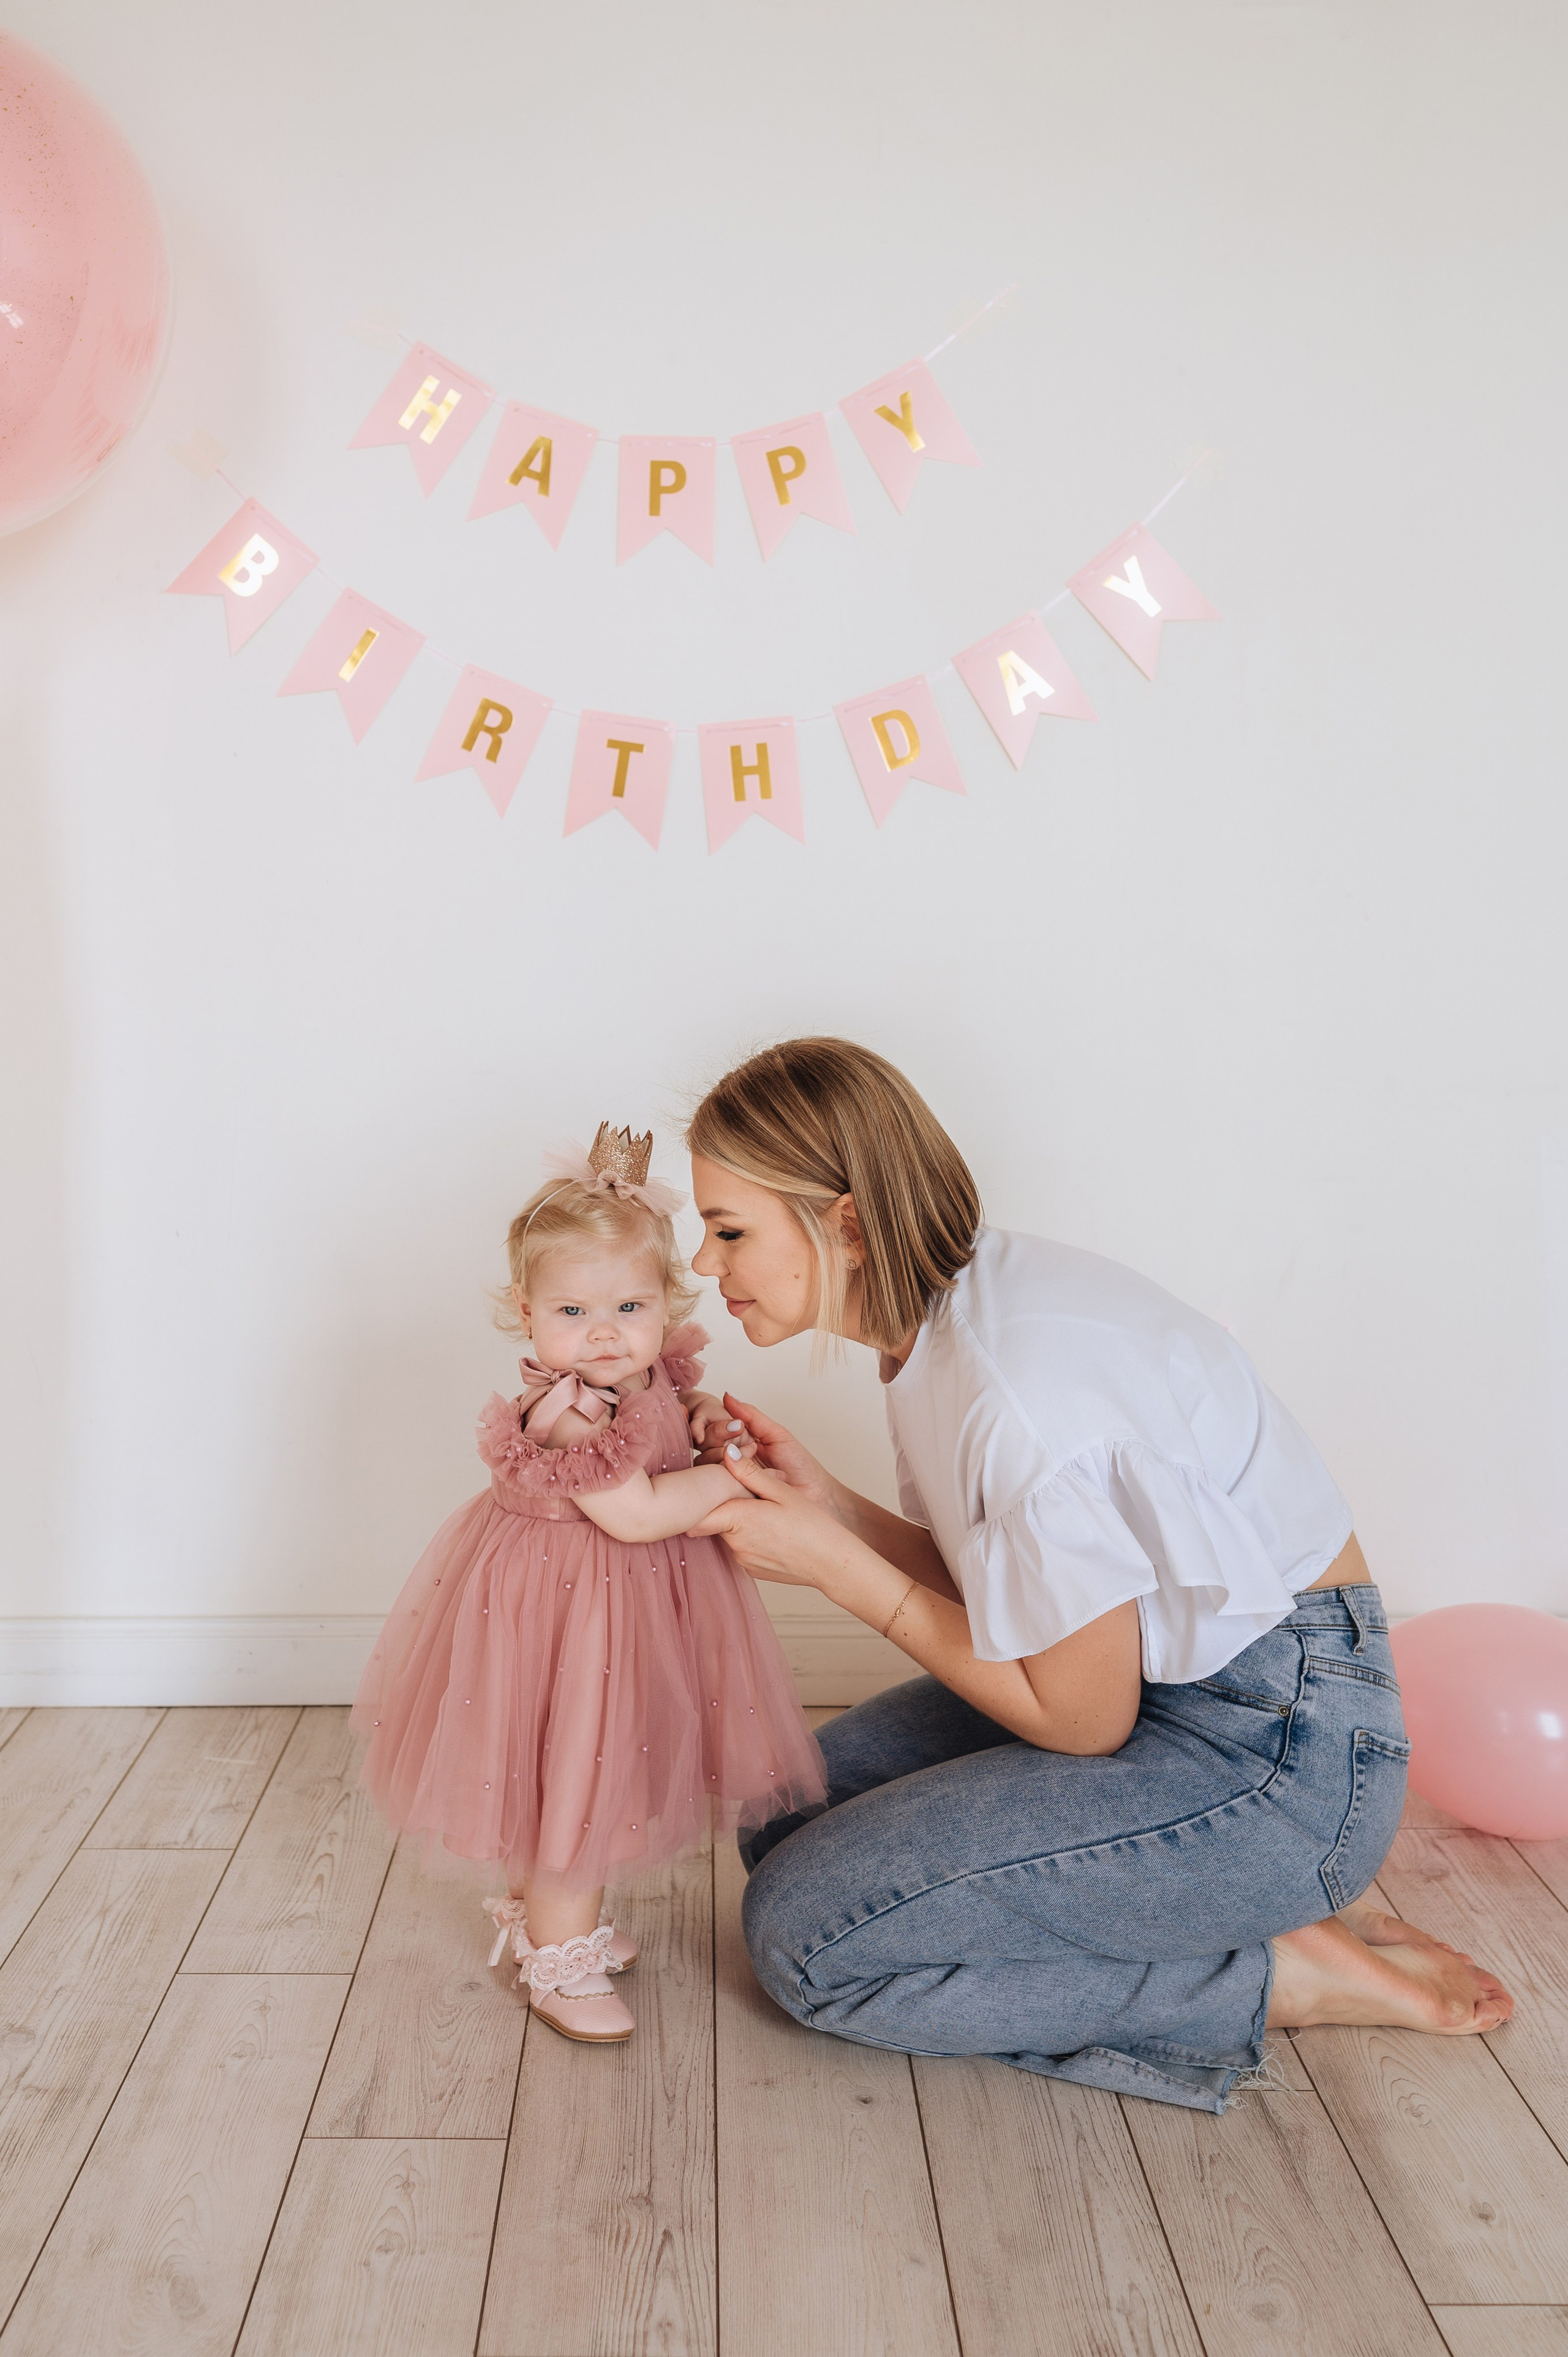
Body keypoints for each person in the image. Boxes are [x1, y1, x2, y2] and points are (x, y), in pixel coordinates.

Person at [680, 1039, 1512, 2112]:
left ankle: (1269, 1973)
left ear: (844, 1224)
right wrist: (833, 1508)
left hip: (1281, 1759)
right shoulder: (947, 1317)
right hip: (1178, 1688)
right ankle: (1208, 1910)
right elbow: (1033, 1598)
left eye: (729, 1231)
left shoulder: (1018, 1391)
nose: (704, 1264)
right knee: (784, 1811)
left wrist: (842, 1571)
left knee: (807, 1944)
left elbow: (1082, 1719)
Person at [352, 1123, 824, 2045]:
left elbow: (663, 1421)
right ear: (525, 1311)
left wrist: (697, 1416)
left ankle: (556, 1918)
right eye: (572, 1311)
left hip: (623, 1609)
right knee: (576, 1766)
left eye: (630, 1307)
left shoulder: (643, 1376)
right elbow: (638, 1514)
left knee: (604, 1755)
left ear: (666, 1302)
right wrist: (733, 1481)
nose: (604, 1332)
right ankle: (558, 1958)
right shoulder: (566, 1413)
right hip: (566, 1611)